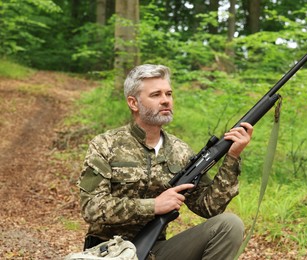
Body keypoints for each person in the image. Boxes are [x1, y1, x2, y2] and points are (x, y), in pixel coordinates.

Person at [78, 64, 253, 260]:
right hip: (109, 252)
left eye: (168, 94)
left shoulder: (180, 151)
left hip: (156, 251)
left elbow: (209, 207)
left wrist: (232, 157)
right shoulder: (105, 145)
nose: (165, 101)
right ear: (133, 103)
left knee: (229, 225)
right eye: (156, 95)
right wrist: (153, 206)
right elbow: (91, 208)